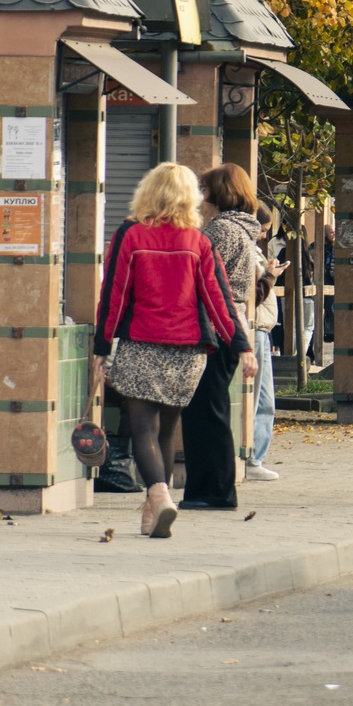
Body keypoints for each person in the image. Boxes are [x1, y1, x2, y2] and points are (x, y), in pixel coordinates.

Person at [92, 162, 251, 538]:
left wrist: (102, 345)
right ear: (190, 198)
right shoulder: (199, 241)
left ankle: (160, 495)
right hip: (188, 352)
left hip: (142, 345)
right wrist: (242, 346)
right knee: (166, 432)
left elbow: (113, 294)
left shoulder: (131, 234)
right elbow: (218, 299)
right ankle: (152, 515)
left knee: (142, 430)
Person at [182, 164, 266, 508]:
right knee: (211, 410)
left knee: (206, 413)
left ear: (218, 192)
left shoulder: (220, 231)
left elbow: (201, 278)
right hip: (230, 328)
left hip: (215, 329)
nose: (200, 197)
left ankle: (214, 491)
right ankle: (212, 490)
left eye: (204, 189)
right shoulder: (243, 230)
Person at [246, 201, 287, 481]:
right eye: (262, 229)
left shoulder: (254, 250)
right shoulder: (248, 251)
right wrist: (271, 275)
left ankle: (254, 455)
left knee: (263, 398)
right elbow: (255, 294)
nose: (264, 235)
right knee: (261, 398)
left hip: (261, 329)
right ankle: (252, 457)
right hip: (256, 329)